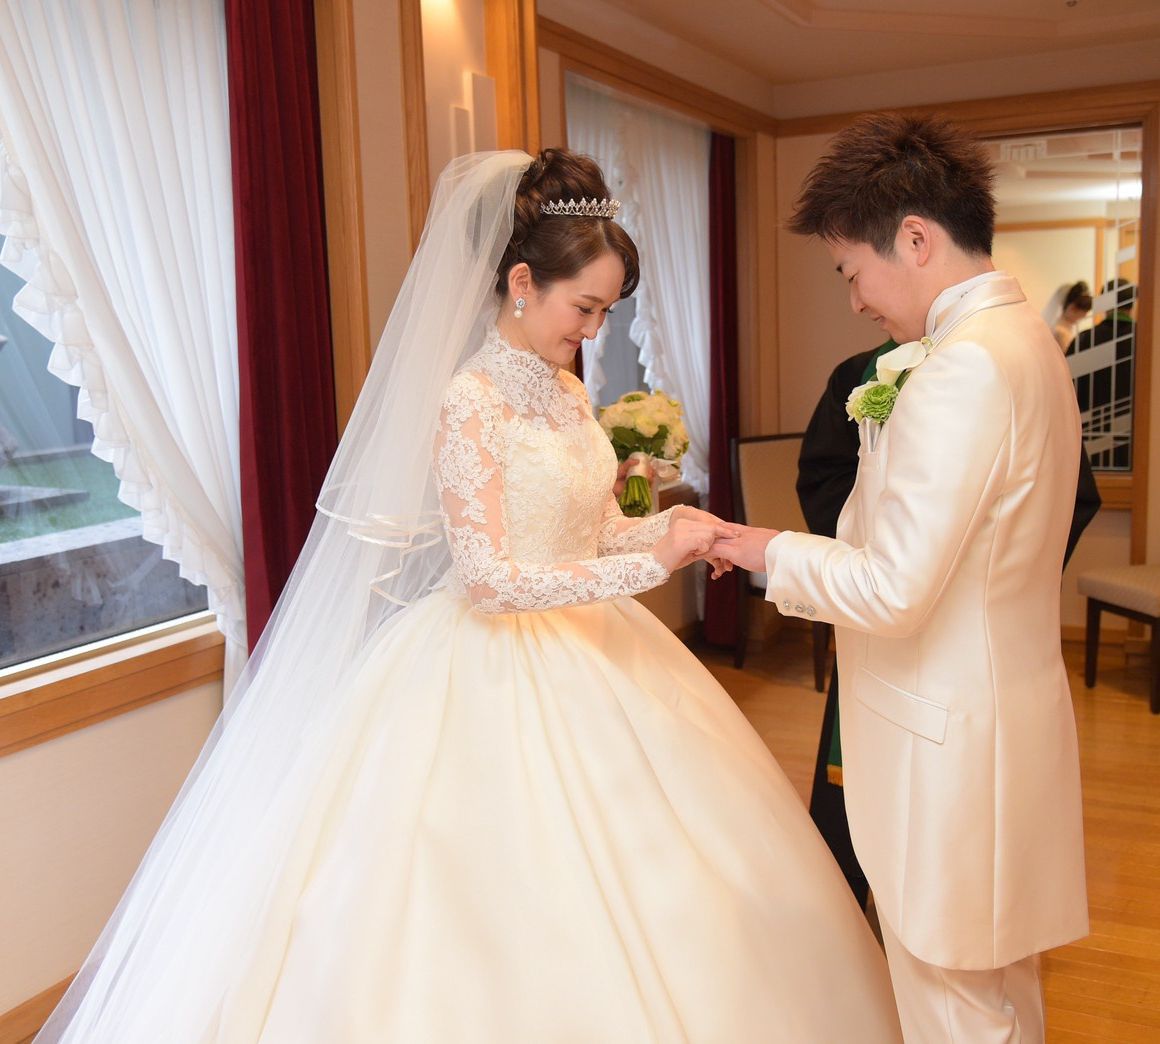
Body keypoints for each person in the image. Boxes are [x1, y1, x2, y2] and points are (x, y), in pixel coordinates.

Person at [36, 149, 902, 1043]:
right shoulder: (469, 402)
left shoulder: (568, 393)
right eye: (584, 308)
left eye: (606, 312)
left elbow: (594, 532)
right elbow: (490, 578)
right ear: (523, 284)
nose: (594, 330)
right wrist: (652, 565)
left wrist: (674, 531)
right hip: (486, 665)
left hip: (596, 650)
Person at [711, 114, 1088, 1043]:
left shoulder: (964, 369)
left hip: (947, 752)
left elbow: (892, 589)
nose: (854, 301)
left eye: (852, 271)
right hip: (994, 726)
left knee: (954, 1008)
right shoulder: (1026, 342)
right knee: (997, 995)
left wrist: (760, 548)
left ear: (915, 239)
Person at [797, 337, 1102, 915]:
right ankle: (846, 912)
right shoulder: (859, 374)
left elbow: (1067, 496)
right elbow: (823, 477)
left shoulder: (998, 362)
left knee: (955, 827)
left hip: (962, 643)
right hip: (879, 610)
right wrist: (885, 555)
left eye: (857, 285)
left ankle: (940, 910)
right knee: (856, 784)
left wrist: (986, 580)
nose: (857, 302)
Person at [1067, 277, 1136, 469]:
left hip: (1088, 442)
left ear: (1104, 302)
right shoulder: (1144, 340)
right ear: (1132, 303)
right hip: (1134, 442)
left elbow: (1066, 389)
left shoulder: (1084, 341)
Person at [1049, 280, 1092, 351]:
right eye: (1084, 312)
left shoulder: (1065, 329)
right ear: (1073, 308)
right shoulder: (1061, 332)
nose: (1085, 316)